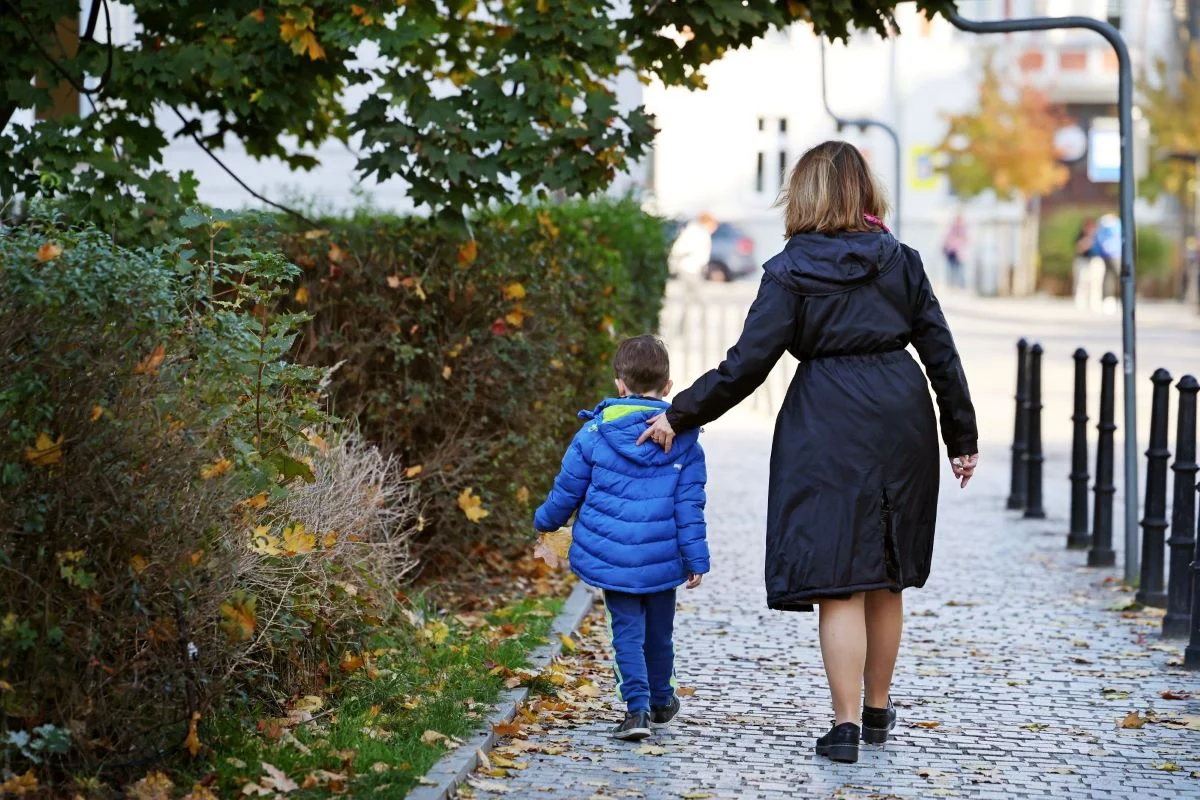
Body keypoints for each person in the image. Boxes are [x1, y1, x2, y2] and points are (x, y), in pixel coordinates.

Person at [638, 140, 978, 764]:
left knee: (839, 580)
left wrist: (680, 414)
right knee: (887, 572)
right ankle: (879, 711)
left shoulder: (789, 269)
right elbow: (940, 352)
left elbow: (747, 365)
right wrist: (962, 437)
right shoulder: (902, 261)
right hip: (901, 416)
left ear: (805, 194)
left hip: (826, 417)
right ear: (866, 192)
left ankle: (845, 725)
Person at [533, 335, 709, 742]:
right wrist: (696, 558)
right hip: (664, 558)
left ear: (619, 386)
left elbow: (567, 492)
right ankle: (663, 698)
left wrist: (544, 522)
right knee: (660, 633)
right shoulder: (684, 442)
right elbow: (690, 507)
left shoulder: (594, 435)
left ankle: (637, 710)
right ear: (668, 388)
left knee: (626, 630)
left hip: (613, 557)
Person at [1073, 217, 1104, 311]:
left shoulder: (1099, 236)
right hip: (1083, 261)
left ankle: (1095, 303)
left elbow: (1103, 249)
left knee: (1096, 283)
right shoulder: (1080, 235)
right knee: (1082, 282)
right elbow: (1077, 248)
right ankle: (1080, 303)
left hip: (1095, 261)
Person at [1094, 213, 1122, 313]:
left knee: (1109, 277)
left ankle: (1109, 299)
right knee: (1117, 276)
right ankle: (1112, 299)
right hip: (1115, 254)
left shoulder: (1103, 225)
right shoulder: (1115, 225)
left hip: (1106, 254)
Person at [942, 213, 968, 289]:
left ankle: (959, 285)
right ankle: (952, 285)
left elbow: (966, 241)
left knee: (959, 270)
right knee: (952, 269)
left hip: (959, 253)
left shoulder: (963, 229)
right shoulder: (952, 228)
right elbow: (947, 240)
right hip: (952, 252)